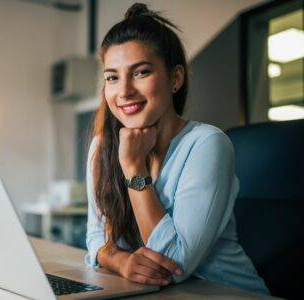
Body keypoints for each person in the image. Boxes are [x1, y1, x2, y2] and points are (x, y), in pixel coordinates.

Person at [85, 2, 269, 294]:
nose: (124, 91)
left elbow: (174, 263)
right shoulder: (102, 147)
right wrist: (122, 263)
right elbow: (96, 239)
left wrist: (134, 168)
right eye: (112, 77)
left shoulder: (207, 144)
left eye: (141, 72)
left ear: (175, 78)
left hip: (226, 292)